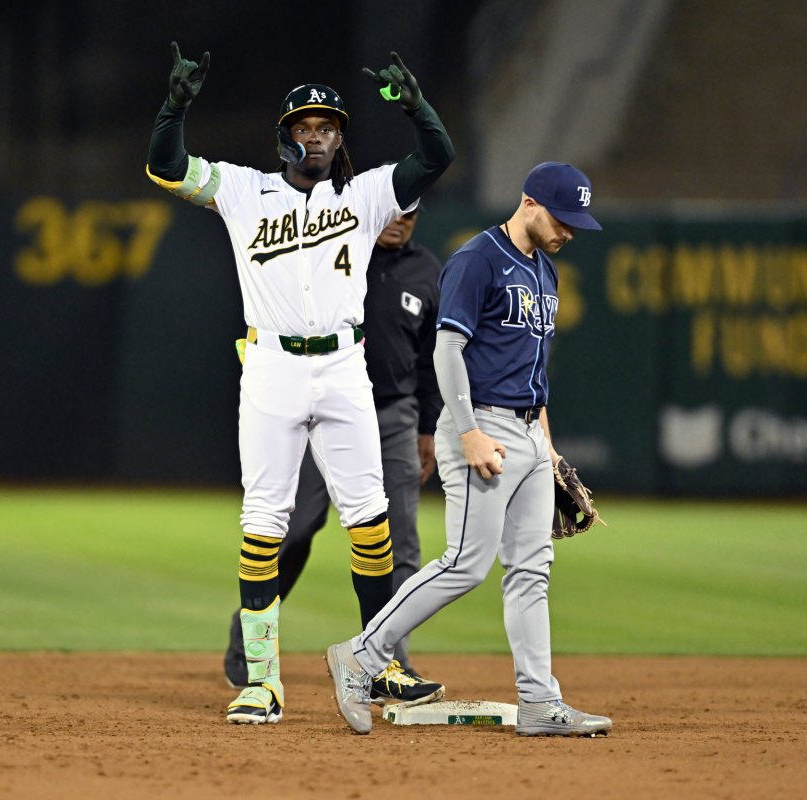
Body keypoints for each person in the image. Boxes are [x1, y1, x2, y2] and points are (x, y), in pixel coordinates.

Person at [146, 43, 454, 726]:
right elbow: (166, 166)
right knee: (264, 524)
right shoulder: (242, 189)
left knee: (370, 521)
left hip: (346, 368)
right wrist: (174, 107)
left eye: (327, 127)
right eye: (303, 127)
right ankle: (262, 682)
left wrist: (416, 106)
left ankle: (381, 667)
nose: (315, 137)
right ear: (284, 135)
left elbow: (435, 157)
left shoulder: (367, 193)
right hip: (273, 369)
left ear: (340, 137)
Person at [325, 162, 614, 737]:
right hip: (480, 425)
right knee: (465, 564)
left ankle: (539, 702)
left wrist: (548, 450)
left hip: (530, 433)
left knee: (532, 570)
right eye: (563, 218)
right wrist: (466, 430)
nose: (570, 231)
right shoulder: (476, 259)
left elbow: (534, 370)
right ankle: (360, 655)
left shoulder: (546, 273)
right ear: (529, 203)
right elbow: (447, 349)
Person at [223, 209, 445, 707]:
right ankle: (249, 640)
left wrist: (429, 425)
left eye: (412, 211)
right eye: (395, 209)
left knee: (400, 540)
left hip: (394, 416)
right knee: (294, 528)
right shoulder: (339, 251)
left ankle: (388, 656)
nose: (402, 220)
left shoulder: (427, 269)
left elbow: (433, 354)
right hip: (317, 410)